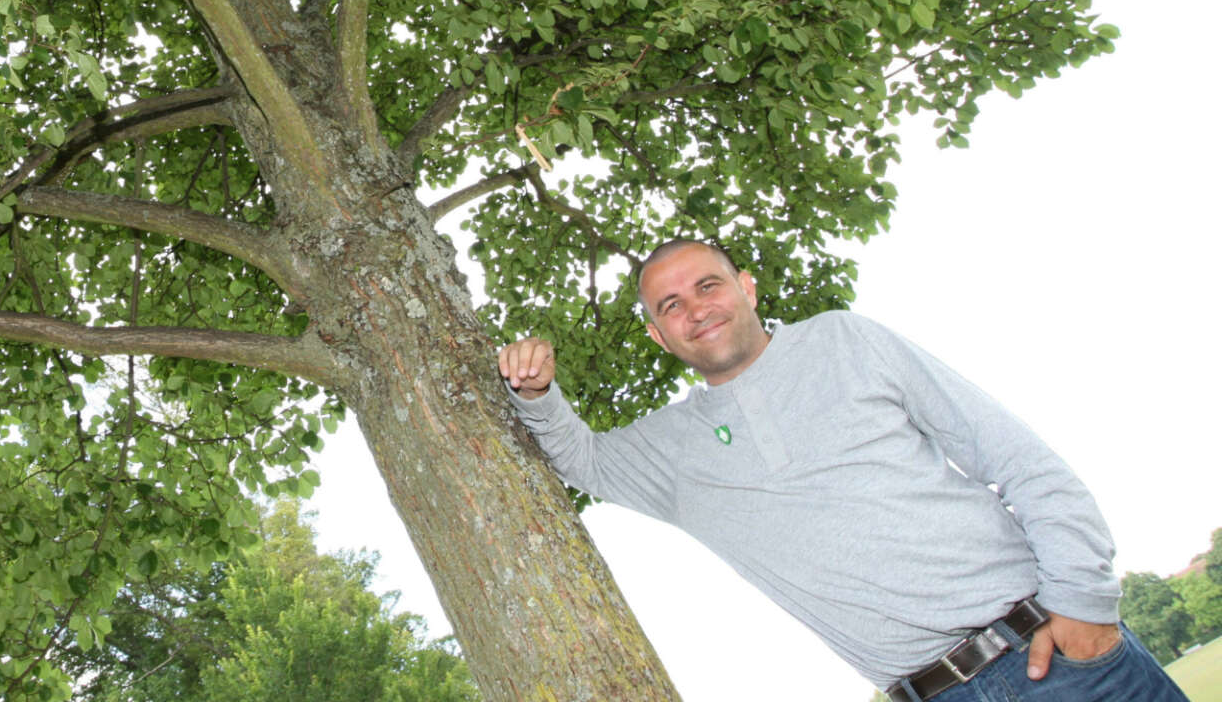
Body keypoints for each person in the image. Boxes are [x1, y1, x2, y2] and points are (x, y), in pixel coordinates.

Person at [496, 238, 1189, 702]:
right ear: (656, 333)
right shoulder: (671, 452)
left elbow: (1016, 458)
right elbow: (581, 457)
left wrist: (1084, 605)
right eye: (669, 305)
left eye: (707, 285)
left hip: (1058, 659)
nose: (694, 309)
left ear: (747, 287)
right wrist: (533, 392)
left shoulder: (845, 339)